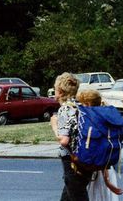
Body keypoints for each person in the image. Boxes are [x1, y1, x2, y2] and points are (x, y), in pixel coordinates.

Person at [50, 72, 92, 201]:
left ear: (61, 92)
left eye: (55, 89)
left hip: (72, 161)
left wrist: (54, 125)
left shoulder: (65, 109)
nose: (54, 92)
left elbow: (64, 140)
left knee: (77, 196)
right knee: (68, 196)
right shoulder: (81, 106)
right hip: (85, 158)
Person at [76, 89, 123, 200]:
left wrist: (106, 181)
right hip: (107, 167)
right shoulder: (105, 115)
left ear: (87, 104)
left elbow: (98, 147)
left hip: (98, 170)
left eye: (81, 104)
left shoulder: (91, 121)